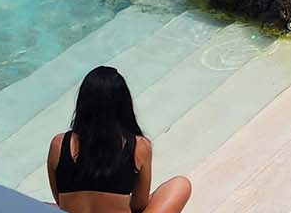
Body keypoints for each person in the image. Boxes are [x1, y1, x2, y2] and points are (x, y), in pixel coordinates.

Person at [45, 66, 192, 213]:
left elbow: (59, 201)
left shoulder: (58, 145)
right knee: (181, 185)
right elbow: (139, 205)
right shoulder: (138, 147)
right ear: (123, 105)